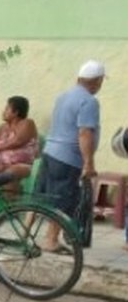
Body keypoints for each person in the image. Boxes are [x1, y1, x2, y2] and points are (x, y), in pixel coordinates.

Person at [35, 60, 104, 252]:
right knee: (62, 199)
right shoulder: (89, 101)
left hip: (49, 151)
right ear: (97, 81)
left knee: (39, 195)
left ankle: (24, 234)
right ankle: (50, 239)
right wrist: (88, 163)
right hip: (68, 157)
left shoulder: (62, 96)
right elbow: (84, 133)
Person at [0, 96, 40, 197]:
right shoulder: (2, 128)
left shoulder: (27, 123)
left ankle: (10, 208)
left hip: (22, 165)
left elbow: (18, 141)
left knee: (8, 176)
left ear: (16, 112)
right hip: (1, 164)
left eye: (7, 109)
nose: (3, 111)